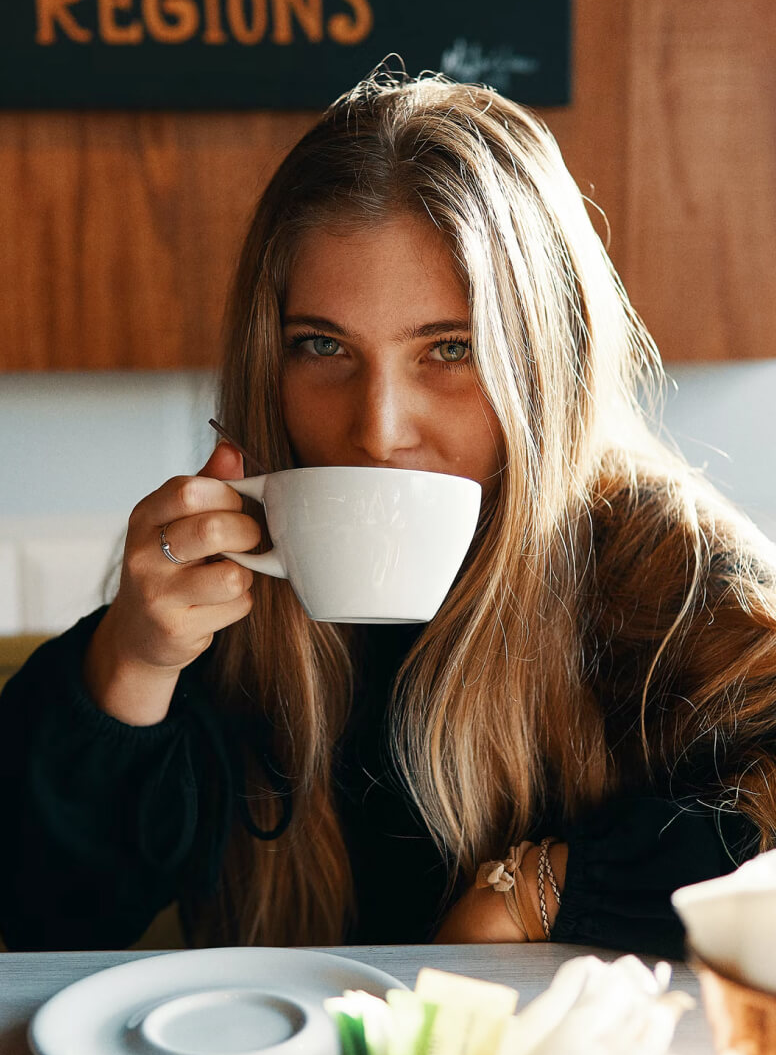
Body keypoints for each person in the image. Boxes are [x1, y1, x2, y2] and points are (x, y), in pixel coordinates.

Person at [2, 68, 774, 956]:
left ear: (547, 367)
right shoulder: (227, 608)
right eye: (322, 346)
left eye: (450, 349)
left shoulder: (666, 574)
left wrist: (539, 893)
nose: (377, 429)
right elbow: (42, 925)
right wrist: (132, 666)